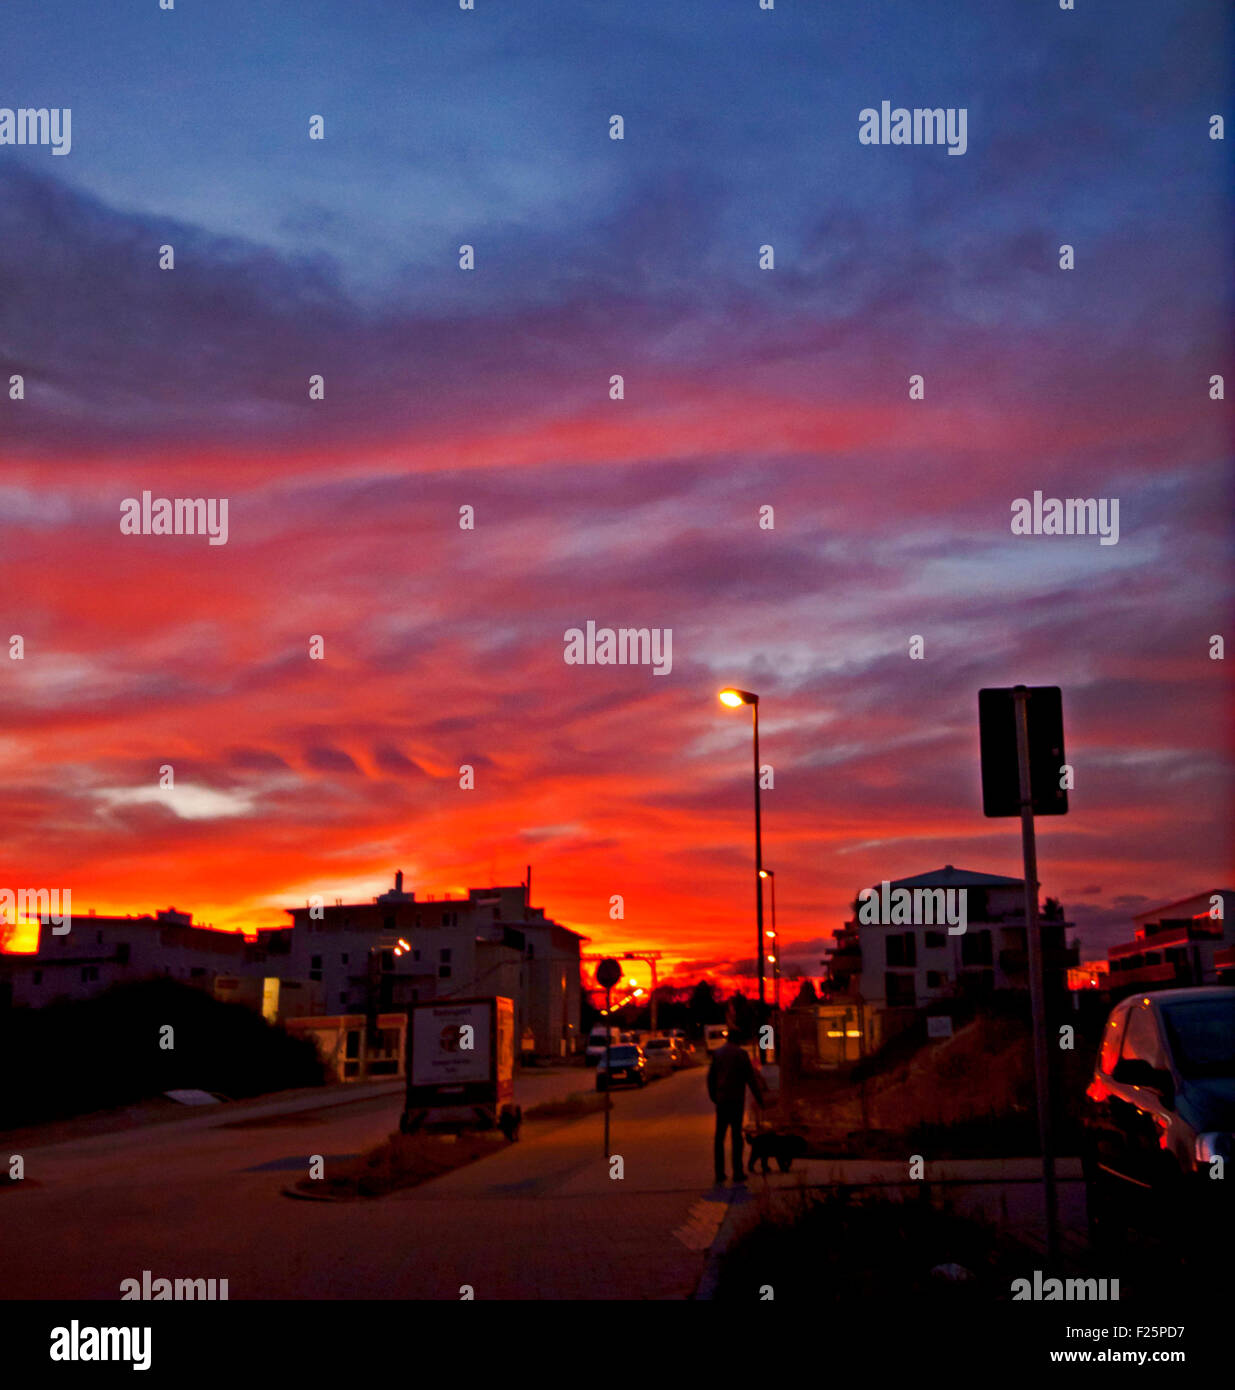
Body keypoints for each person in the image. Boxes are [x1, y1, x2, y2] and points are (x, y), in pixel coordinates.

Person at [707, 1028, 764, 1183]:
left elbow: (710, 1078)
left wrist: (714, 1096)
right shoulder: (741, 1055)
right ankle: (737, 1171)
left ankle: (720, 1173)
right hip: (736, 1100)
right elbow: (750, 1079)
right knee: (736, 1136)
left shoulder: (718, 1054)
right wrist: (760, 1099)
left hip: (722, 1100)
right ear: (738, 1040)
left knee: (719, 1137)